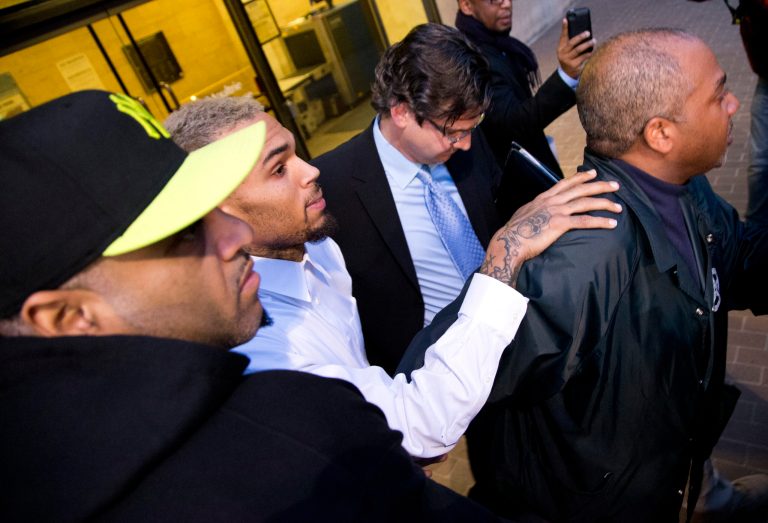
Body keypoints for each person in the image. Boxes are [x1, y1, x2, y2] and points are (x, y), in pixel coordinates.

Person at [0, 90, 516, 521]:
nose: (236, 235)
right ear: (69, 319)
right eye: (184, 232)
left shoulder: (318, 254)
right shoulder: (287, 434)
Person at [397, 29, 768, 522]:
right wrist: (502, 260)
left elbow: (739, 261)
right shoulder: (584, 253)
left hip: (666, 476)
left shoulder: (687, 191)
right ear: (660, 133)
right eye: (718, 94)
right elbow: (428, 381)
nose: (734, 104)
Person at [165, 96, 622, 459]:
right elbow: (420, 424)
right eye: (279, 168)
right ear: (220, 214)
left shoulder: (320, 248)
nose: (312, 170)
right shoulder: (262, 348)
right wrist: (505, 254)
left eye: (296, 153)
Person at [315, 23, 535, 374]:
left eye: (470, 130)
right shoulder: (333, 186)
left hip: (511, 333)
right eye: (453, 133)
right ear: (401, 110)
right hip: (432, 373)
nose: (465, 144)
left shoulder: (465, 142)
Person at [455, 0, 594, 215]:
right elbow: (515, 122)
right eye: (494, 1)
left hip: (533, 167)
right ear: (466, 5)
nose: (506, 4)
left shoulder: (498, 43)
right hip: (521, 191)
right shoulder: (474, 59)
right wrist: (565, 76)